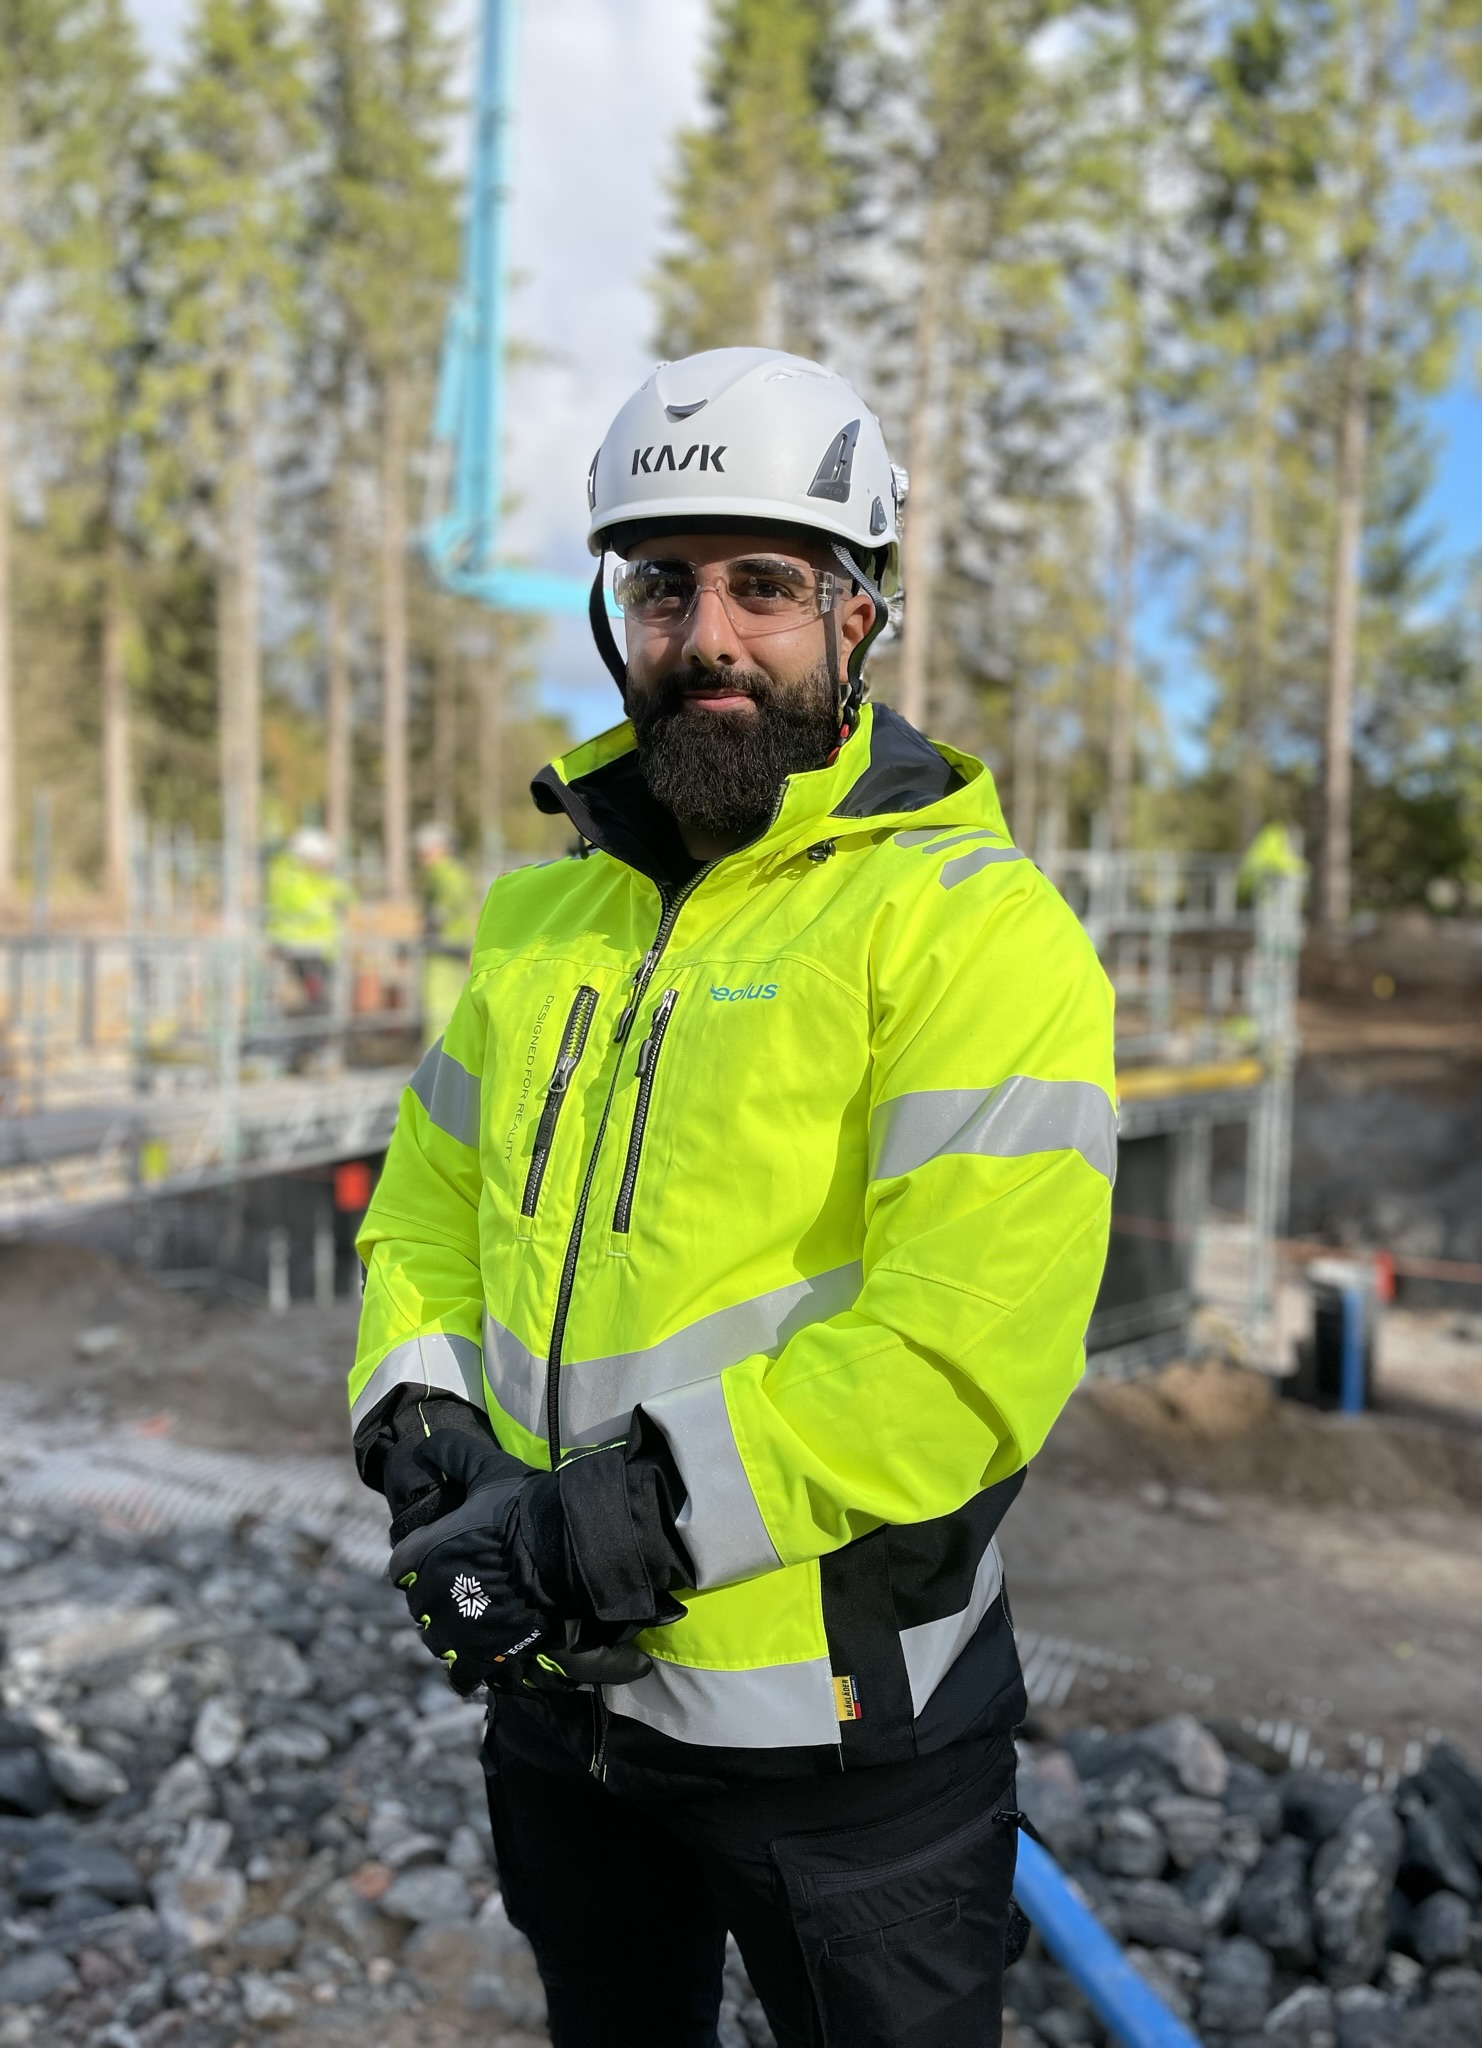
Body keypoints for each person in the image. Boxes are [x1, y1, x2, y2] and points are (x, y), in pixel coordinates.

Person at [348, 347, 1116, 2048]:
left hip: (846, 1746)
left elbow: (958, 1354)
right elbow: (423, 1214)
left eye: (764, 583)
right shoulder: (543, 921)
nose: (707, 633)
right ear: (616, 615)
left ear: (858, 614)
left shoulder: (972, 930)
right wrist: (425, 1428)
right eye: (661, 584)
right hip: (565, 1713)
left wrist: (606, 1524)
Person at [265, 826, 352, 1019]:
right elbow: (308, 904)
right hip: (301, 945)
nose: (323, 866)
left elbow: (340, 892)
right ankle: (309, 1028)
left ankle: (314, 1025)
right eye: (319, 861)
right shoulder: (288, 874)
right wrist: (329, 903)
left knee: (318, 996)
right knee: (312, 997)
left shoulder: (310, 875)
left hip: (318, 946)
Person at [413, 821, 478, 1049]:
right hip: (448, 946)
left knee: (439, 1002)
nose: (421, 857)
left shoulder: (446, 872)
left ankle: (438, 1050)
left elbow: (451, 902)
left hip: (446, 947)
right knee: (443, 1000)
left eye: (425, 851)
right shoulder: (444, 872)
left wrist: (434, 920)